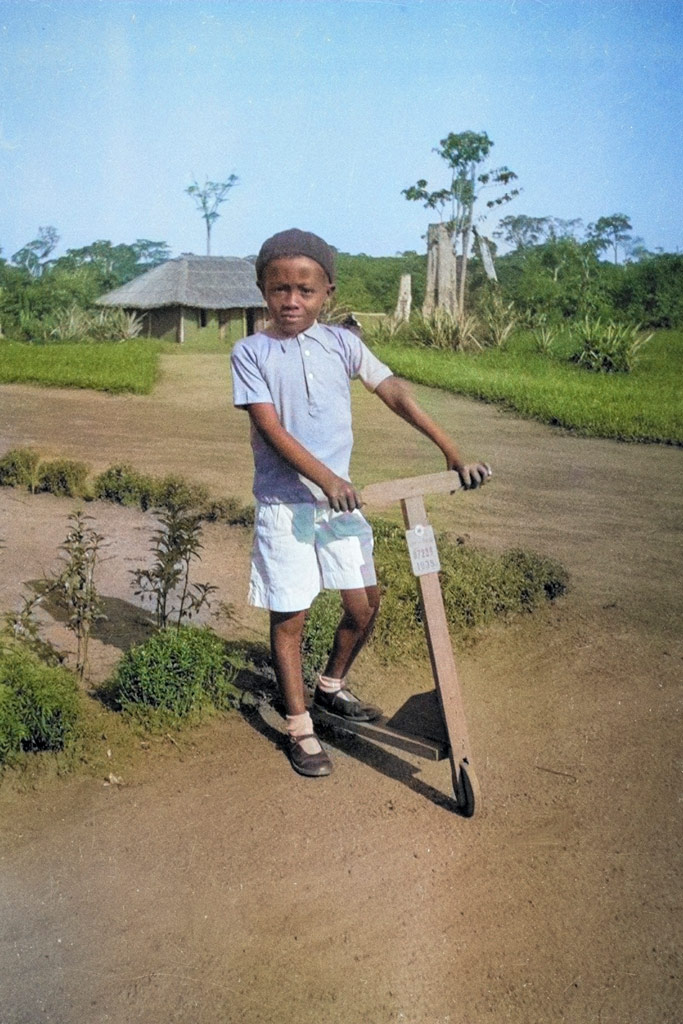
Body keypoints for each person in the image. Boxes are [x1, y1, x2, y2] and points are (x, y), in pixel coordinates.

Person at [230, 228, 491, 778]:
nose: (292, 301)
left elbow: (392, 390)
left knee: (364, 604)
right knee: (292, 615)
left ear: (327, 290)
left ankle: (330, 686)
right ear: (262, 290)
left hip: (339, 501)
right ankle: (299, 726)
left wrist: (451, 450)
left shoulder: (342, 344)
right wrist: (324, 477)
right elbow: (269, 426)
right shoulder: (250, 351)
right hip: (287, 506)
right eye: (279, 289)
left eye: (305, 290)